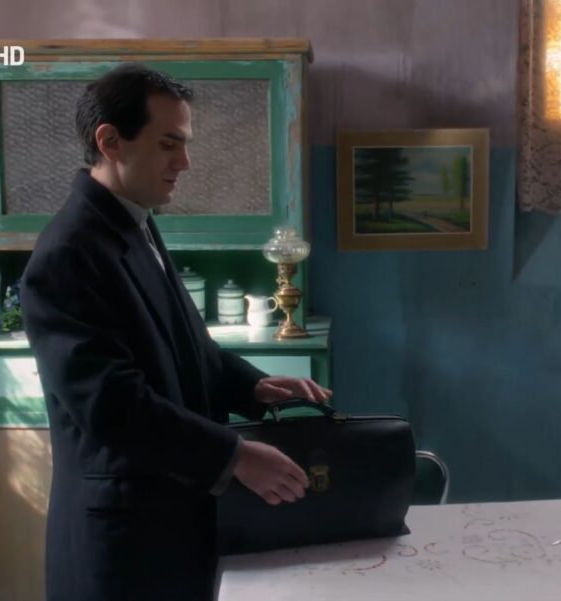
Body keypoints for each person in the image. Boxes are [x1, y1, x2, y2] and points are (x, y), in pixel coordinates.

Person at [21, 64, 332, 601]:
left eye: (184, 144)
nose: (184, 162)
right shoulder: (67, 254)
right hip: (123, 544)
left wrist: (251, 386)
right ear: (110, 141)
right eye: (169, 144)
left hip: (170, 523)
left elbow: (185, 345)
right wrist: (234, 455)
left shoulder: (133, 221)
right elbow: (112, 404)